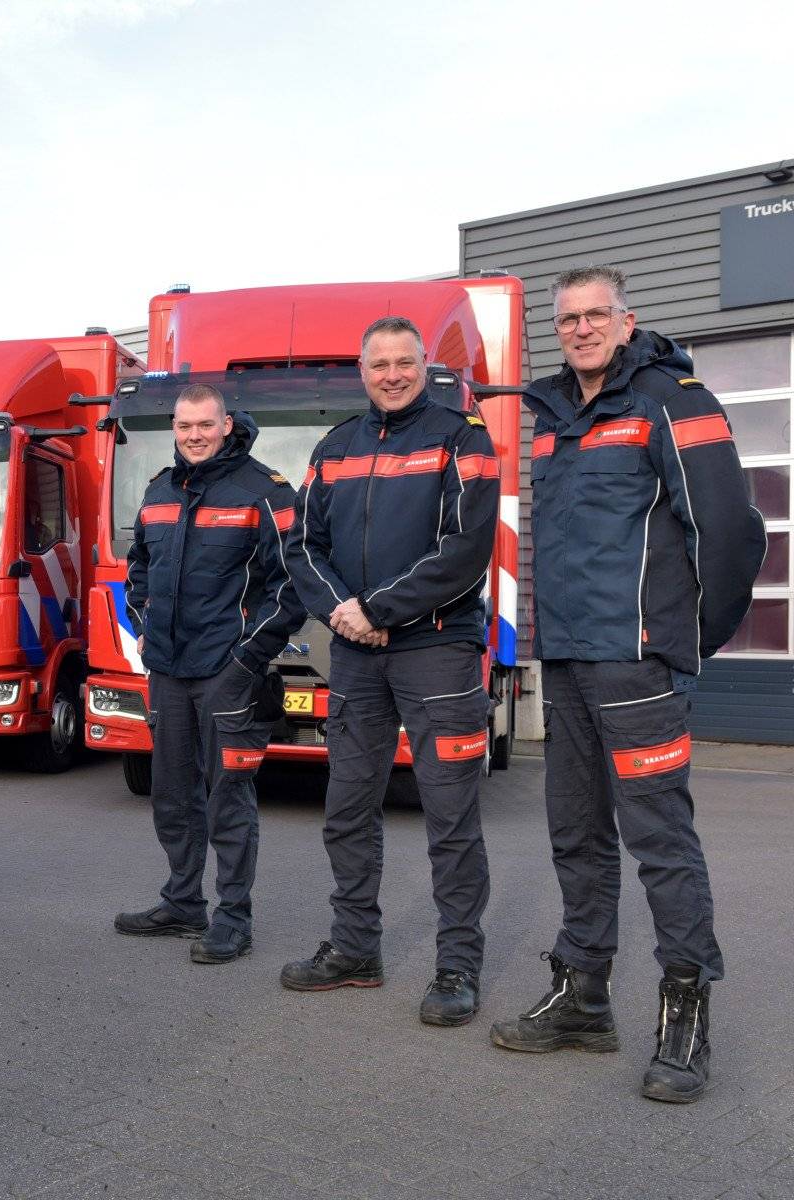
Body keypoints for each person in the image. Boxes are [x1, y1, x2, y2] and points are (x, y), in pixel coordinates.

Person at [488, 266, 764, 1104]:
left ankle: (684, 1018)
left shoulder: (672, 401)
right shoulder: (550, 419)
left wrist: (686, 641)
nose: (579, 329)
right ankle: (582, 996)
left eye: (593, 315)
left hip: (637, 664)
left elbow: (730, 532)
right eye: (567, 319)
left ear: (625, 318)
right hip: (566, 662)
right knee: (575, 836)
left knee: (660, 845)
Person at [278, 317, 500, 1025]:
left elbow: (465, 550)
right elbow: (302, 545)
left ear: (423, 364)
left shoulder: (460, 438)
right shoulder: (335, 446)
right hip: (355, 654)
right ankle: (354, 950)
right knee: (346, 809)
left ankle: (457, 965)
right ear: (362, 369)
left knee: (449, 815)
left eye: (405, 362)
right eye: (380, 364)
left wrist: (376, 609)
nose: (392, 374)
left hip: (436, 649)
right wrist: (344, 612)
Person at [114, 383, 304, 965]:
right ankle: (182, 901)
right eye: (184, 426)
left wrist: (247, 654)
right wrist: (143, 626)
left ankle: (233, 916)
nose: (194, 435)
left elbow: (292, 584)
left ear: (225, 425)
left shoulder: (264, 491)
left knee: (229, 795)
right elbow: (138, 569)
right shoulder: (158, 490)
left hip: (228, 670)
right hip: (167, 667)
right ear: (174, 429)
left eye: (204, 425)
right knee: (171, 793)